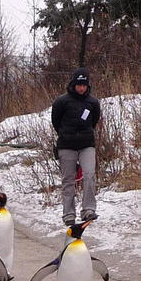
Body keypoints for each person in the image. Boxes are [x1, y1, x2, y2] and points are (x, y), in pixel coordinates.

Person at [51, 67, 101, 226]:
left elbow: (94, 121)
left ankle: (88, 210)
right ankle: (68, 213)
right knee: (68, 179)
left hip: (87, 144)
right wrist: (67, 134)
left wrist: (83, 134)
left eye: (84, 85)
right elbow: (56, 122)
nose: (81, 88)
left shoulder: (93, 102)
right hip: (67, 145)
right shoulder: (61, 101)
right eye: (79, 84)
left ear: (88, 85)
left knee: (89, 174)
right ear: (73, 84)